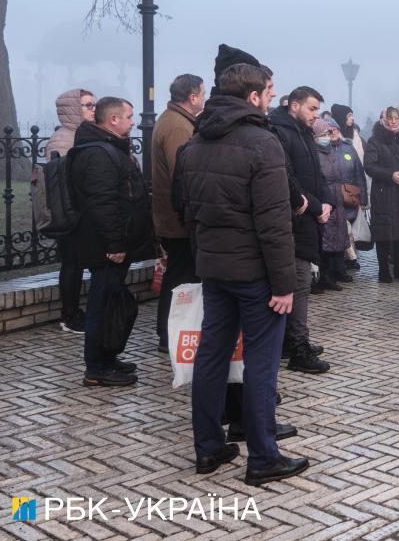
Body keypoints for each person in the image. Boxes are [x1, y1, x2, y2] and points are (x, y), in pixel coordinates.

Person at [179, 62, 308, 485]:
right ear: (252, 97)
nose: (273, 98)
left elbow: (190, 212)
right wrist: (284, 283)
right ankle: (264, 457)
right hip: (255, 274)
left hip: (216, 267)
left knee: (212, 355)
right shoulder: (261, 142)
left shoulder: (197, 141)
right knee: (261, 364)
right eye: (269, 92)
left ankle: (208, 447)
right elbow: (274, 221)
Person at [71, 97, 154, 386]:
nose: (133, 122)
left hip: (113, 245)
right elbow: (103, 204)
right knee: (101, 304)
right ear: (113, 120)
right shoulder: (98, 154)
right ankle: (95, 367)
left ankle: (106, 358)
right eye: (129, 117)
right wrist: (115, 245)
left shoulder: (108, 149)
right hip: (105, 248)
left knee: (109, 303)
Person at [268, 86, 331, 373]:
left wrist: (326, 202)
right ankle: (298, 347)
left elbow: (316, 175)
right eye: (312, 108)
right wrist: (315, 207)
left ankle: (290, 341)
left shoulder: (302, 132)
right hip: (296, 220)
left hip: (308, 216)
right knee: (300, 283)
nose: (315, 115)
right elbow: (288, 177)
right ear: (294, 105)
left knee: (300, 282)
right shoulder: (281, 132)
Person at [152, 73, 205, 351]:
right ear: (192, 97)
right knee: (180, 278)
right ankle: (168, 333)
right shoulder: (177, 127)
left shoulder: (176, 121)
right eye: (202, 94)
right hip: (177, 220)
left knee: (180, 275)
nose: (205, 99)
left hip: (174, 217)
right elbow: (182, 174)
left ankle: (171, 331)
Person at [46, 88, 95, 334]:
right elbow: (65, 179)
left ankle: (76, 311)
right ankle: (70, 315)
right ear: (74, 108)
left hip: (80, 211)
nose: (93, 109)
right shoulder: (63, 139)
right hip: (69, 213)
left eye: (93, 104)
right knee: (72, 264)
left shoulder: (82, 135)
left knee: (77, 263)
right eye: (87, 105)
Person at [363, 106, 399, 283]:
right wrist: (389, 175)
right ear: (383, 120)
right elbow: (369, 166)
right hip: (383, 192)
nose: (393, 122)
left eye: (396, 118)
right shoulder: (374, 140)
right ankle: (383, 269)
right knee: (383, 232)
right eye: (390, 119)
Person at [312, 119, 354, 284]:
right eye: (323, 134)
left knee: (339, 236)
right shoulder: (316, 154)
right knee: (326, 239)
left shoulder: (332, 151)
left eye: (328, 134)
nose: (327, 137)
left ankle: (337, 271)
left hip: (338, 198)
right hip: (325, 198)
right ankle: (325, 275)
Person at [327, 121, 367, 275]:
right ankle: (340, 265)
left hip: (349, 197)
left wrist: (363, 197)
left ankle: (346, 262)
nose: (333, 132)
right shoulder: (323, 149)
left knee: (347, 229)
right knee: (337, 231)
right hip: (332, 198)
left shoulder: (348, 148)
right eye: (329, 130)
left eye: (335, 129)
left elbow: (359, 173)